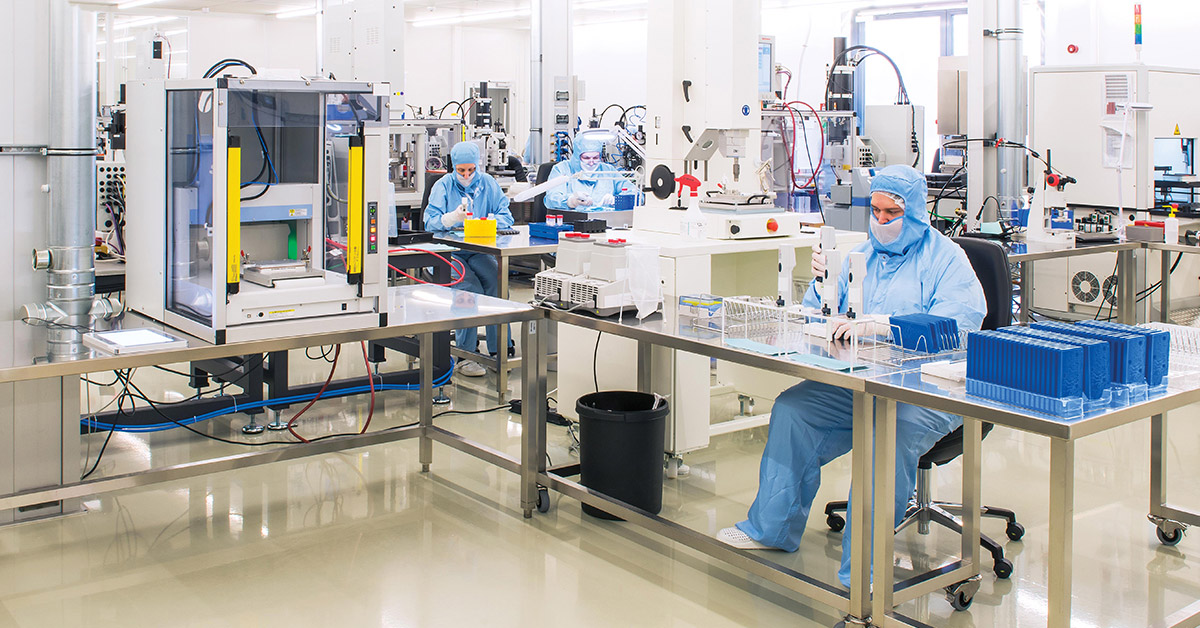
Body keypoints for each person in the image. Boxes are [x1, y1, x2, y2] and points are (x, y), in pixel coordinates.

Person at [715, 164, 987, 588]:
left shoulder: (948, 260)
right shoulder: (861, 254)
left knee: (885, 434)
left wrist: (885, 324)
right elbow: (821, 314)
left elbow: (960, 326)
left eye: (890, 214)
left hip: (927, 391)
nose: (880, 222)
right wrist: (823, 281)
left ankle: (865, 572)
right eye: (874, 211)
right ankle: (771, 528)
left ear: (916, 212)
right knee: (793, 410)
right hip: (861, 380)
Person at [423, 142, 515, 377]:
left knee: (497, 279)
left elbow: (507, 216)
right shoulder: (443, 185)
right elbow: (429, 222)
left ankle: (500, 347)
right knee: (469, 288)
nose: (466, 175)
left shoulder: (488, 184)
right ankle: (465, 354)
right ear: (454, 167)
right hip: (448, 251)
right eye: (461, 170)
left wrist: (489, 220)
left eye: (471, 170)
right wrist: (450, 218)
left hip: (477, 249)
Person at [544, 134, 635, 211]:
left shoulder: (608, 170)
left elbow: (637, 194)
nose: (591, 162)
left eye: (595, 158)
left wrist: (618, 200)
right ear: (577, 156)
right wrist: (570, 201)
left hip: (607, 225)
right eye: (586, 158)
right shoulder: (562, 169)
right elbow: (551, 199)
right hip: (572, 225)